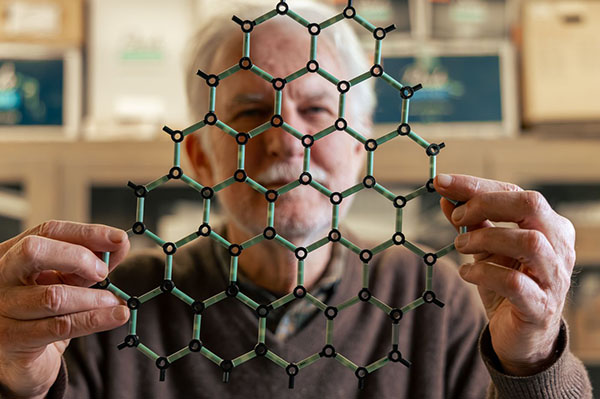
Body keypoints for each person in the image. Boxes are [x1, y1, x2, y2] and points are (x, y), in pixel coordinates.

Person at [0, 1, 592, 398]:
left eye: (316, 110)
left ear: (360, 147)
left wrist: (533, 357)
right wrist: (17, 377)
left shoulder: (436, 304)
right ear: (202, 159)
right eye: (251, 113)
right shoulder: (120, 309)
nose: (286, 140)